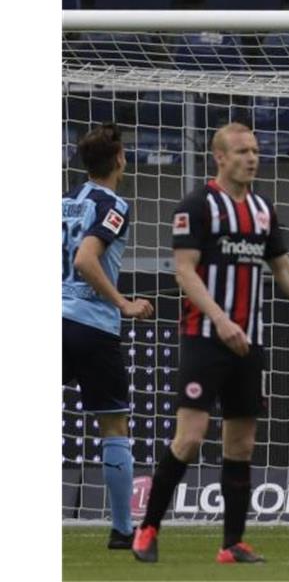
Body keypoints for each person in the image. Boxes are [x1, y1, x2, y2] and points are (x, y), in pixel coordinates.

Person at [132, 123, 289, 564]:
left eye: (255, 150)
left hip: (250, 342)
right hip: (205, 338)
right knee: (191, 437)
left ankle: (232, 543)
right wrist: (220, 318)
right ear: (220, 157)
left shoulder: (262, 210)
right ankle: (149, 527)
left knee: (242, 445)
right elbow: (184, 272)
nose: (251, 158)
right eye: (241, 151)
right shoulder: (197, 206)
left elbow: (286, 272)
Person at [63, 123, 155, 549]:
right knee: (114, 426)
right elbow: (85, 259)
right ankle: (121, 531)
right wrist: (124, 303)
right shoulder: (115, 205)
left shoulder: (61, 204)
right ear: (119, 159)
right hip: (91, 326)